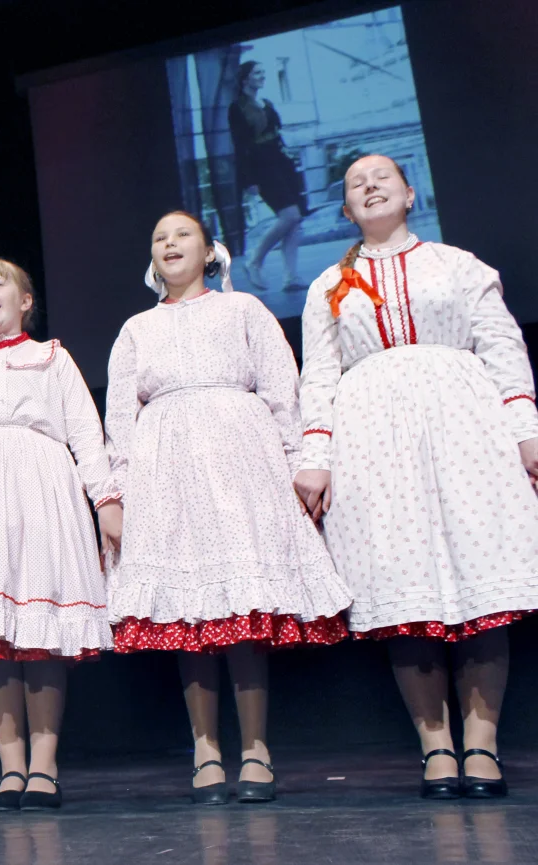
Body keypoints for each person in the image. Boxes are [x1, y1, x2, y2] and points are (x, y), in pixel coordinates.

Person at [295, 154, 538, 799]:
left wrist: (526, 431)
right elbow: (318, 376)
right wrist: (315, 454)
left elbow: (503, 347)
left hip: (465, 427)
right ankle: (435, 748)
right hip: (373, 437)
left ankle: (481, 744)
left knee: (480, 581)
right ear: (346, 210)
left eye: (382, 178)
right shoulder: (327, 285)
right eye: (356, 183)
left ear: (409, 194)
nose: (369, 186)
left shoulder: (458, 265)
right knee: (405, 590)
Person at [104, 211, 351, 804]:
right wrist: (119, 491)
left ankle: (257, 748)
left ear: (209, 251)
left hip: (242, 462)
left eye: (182, 235)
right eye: (159, 237)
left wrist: (296, 464)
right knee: (189, 615)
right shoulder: (137, 328)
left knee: (243, 606)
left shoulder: (244, 310)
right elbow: (119, 418)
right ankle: (205, 748)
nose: (169, 243)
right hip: (166, 469)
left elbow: (282, 391)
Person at [0, 258, 122, 812]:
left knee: (40, 630)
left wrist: (105, 500)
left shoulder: (52, 358)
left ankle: (45, 765)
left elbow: (86, 433)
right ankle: (11, 767)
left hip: (40, 491)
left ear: (25, 301)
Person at [229, 60, 307, 292]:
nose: (263, 76)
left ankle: (291, 277)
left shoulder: (267, 103)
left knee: (295, 220)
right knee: (289, 215)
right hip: (262, 166)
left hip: (282, 163)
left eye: (263, 72)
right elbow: (240, 146)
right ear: (245, 79)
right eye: (257, 73)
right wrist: (247, 180)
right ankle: (254, 260)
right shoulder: (237, 108)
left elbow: (277, 133)